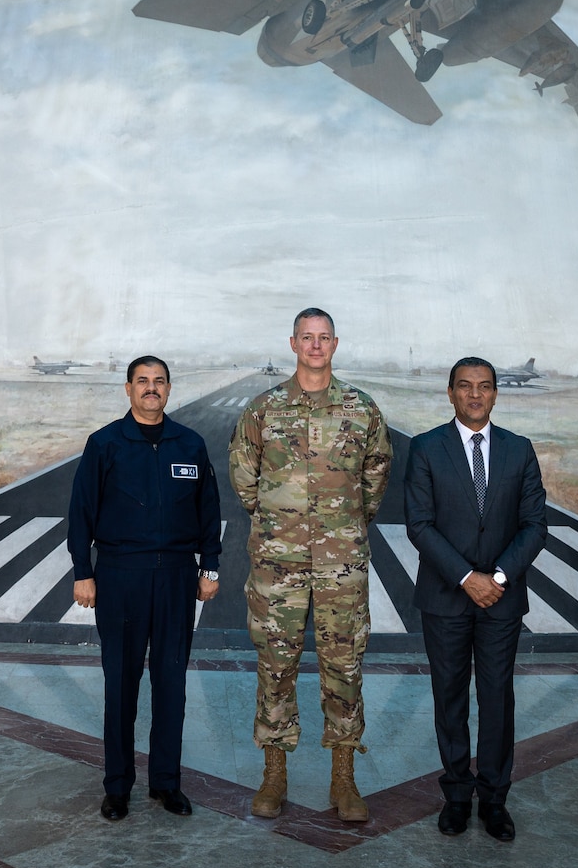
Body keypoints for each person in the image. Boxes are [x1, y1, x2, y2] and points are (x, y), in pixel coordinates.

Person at [228, 308, 392, 822]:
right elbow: (243, 478)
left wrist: (340, 529)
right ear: (293, 343)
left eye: (324, 338)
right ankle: (274, 773)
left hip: (342, 564)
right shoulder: (264, 409)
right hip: (278, 566)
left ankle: (343, 777)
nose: (315, 346)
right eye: (307, 338)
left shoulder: (361, 410)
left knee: (344, 666)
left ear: (335, 344)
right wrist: (281, 526)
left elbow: (375, 478)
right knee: (276, 666)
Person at [67, 355, 221, 822]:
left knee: (171, 683)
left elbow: (209, 511)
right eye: (142, 382)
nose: (151, 389)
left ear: (169, 390)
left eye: (159, 382)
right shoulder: (105, 444)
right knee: (121, 684)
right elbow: (81, 512)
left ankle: (165, 784)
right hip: (120, 577)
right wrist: (83, 571)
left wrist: (209, 568)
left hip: (176, 576)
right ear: (129, 389)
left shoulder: (190, 444)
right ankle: (117, 787)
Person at [403, 357, 548, 842]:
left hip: (501, 600)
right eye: (465, 387)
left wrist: (498, 576)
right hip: (446, 597)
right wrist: (468, 577)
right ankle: (457, 797)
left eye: (484, 387)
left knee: (497, 698)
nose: (475, 395)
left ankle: (495, 799)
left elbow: (534, 525)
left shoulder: (519, 450)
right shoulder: (425, 448)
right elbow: (419, 525)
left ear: (494, 394)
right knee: (449, 699)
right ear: (450, 393)